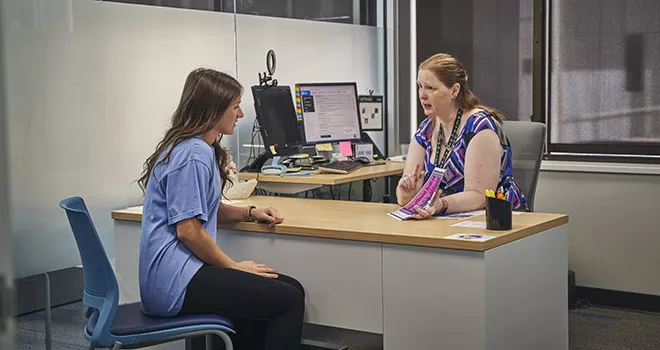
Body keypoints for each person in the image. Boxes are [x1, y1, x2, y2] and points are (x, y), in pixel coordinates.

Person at [137, 68, 304, 350]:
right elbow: (188, 230)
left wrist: (249, 212)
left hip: (176, 277)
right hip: (174, 284)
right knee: (286, 300)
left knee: (289, 289)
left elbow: (204, 209)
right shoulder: (193, 153)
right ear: (213, 111)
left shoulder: (193, 147)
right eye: (235, 107)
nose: (240, 115)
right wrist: (234, 267)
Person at [397, 53, 527, 219]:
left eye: (431, 88)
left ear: (454, 91)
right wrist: (407, 194)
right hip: (444, 218)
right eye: (420, 86)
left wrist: (440, 205)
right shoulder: (426, 129)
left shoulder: (479, 127)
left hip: (498, 219)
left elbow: (479, 196)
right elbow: (405, 195)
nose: (422, 95)